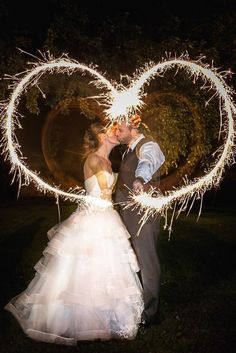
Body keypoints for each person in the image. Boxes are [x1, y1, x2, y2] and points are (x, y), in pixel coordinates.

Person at [4, 121, 144, 345]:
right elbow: (101, 193)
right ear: (100, 136)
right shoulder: (94, 160)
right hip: (93, 219)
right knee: (84, 267)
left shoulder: (108, 161)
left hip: (107, 217)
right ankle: (76, 320)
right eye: (112, 129)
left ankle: (104, 317)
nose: (117, 132)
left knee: (108, 268)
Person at [114, 115, 165, 328]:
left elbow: (148, 161)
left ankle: (151, 314)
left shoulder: (148, 145)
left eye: (120, 128)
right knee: (132, 260)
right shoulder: (128, 150)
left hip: (143, 214)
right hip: (128, 213)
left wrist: (141, 178)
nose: (117, 132)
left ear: (133, 126)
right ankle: (135, 304)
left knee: (147, 260)